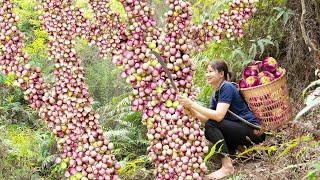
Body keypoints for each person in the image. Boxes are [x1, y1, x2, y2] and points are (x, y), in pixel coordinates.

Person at [178, 60, 266, 180]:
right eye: (206, 72)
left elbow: (218, 116)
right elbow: (209, 119)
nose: (207, 74)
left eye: (210, 71)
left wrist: (192, 104)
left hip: (254, 131)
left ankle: (227, 167)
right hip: (239, 130)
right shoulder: (215, 95)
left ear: (221, 74)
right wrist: (193, 112)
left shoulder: (227, 87)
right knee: (209, 127)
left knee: (211, 125)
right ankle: (239, 153)